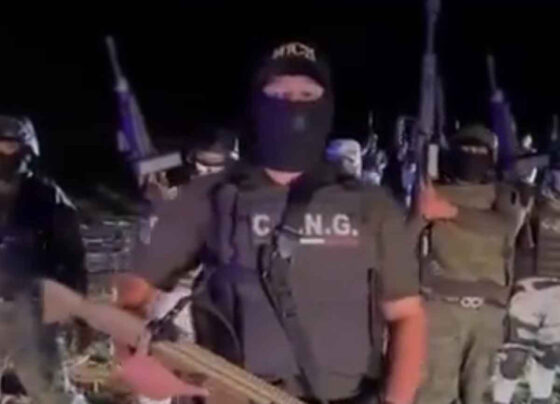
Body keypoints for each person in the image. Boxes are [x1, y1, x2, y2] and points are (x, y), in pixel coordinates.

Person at [120, 41, 426, 404]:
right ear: (257, 104)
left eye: (307, 93)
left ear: (326, 105)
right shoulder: (210, 196)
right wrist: (137, 361)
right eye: (279, 93)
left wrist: (397, 400)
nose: (293, 104)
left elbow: (407, 316)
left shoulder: (371, 205)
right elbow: (133, 294)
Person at [416, 124, 523, 404]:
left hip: (487, 312)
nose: (472, 155)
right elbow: (408, 240)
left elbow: (504, 227)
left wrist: (449, 211)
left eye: (479, 150)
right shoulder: (433, 191)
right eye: (466, 149)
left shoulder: (502, 195)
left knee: (478, 391)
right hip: (441, 308)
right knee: (434, 392)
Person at [0, 115, 87, 403]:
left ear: (26, 151)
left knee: (49, 390)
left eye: (9, 146)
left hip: (29, 306)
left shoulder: (47, 198)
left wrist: (78, 310)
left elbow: (72, 256)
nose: (2, 153)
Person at [493, 160, 560, 404]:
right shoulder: (530, 201)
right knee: (514, 358)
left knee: (550, 356)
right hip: (527, 291)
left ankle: (541, 399)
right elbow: (513, 170)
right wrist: (542, 159)